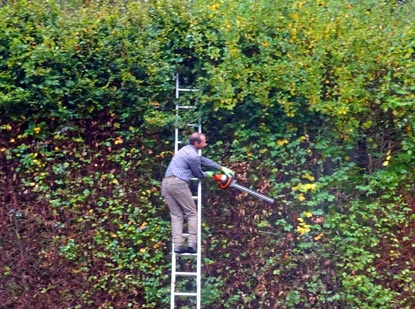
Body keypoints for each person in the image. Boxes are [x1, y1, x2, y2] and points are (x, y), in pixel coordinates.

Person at [161, 132, 235, 254]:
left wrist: (220, 167)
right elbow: (199, 175)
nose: (205, 143)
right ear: (196, 143)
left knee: (177, 216)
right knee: (192, 214)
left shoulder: (185, 149)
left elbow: (202, 160)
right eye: (204, 141)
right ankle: (192, 245)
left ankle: (178, 246)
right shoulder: (192, 156)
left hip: (165, 184)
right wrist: (214, 175)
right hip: (178, 184)